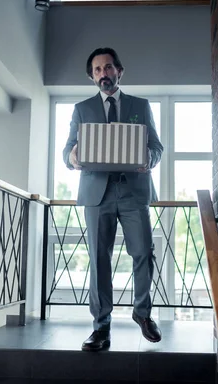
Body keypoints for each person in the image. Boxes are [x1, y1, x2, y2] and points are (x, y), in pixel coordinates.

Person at [63, 47, 164, 352]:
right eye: (96, 70)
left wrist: (148, 157)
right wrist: (74, 157)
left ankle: (142, 313)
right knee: (99, 261)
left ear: (119, 71)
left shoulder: (140, 106)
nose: (103, 73)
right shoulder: (82, 109)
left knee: (144, 253)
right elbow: (67, 152)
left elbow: (157, 147)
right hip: (97, 193)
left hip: (133, 191)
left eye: (107, 67)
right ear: (92, 77)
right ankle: (101, 327)